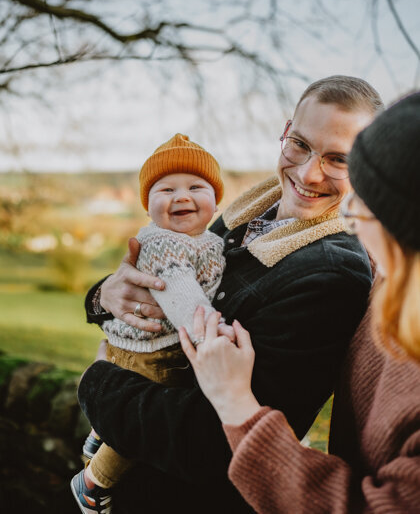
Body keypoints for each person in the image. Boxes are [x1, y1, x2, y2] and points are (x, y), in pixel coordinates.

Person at [77, 76, 384, 514]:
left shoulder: (332, 276)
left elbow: (213, 443)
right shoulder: (246, 212)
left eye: (338, 159)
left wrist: (97, 383)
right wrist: (103, 296)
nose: (306, 173)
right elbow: (169, 275)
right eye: (299, 144)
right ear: (285, 131)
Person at [179, 91, 420, 513]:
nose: (350, 217)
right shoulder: (392, 281)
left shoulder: (340, 272)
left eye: (367, 204)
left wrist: (236, 402)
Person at [71, 133, 234, 513]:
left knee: (134, 413)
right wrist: (210, 333)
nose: (181, 196)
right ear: (148, 205)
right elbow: (181, 295)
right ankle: (93, 484)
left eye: (196, 186)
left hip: (158, 344)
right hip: (147, 351)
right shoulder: (164, 243)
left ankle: (98, 432)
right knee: (138, 426)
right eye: (166, 189)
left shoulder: (206, 239)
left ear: (216, 199)